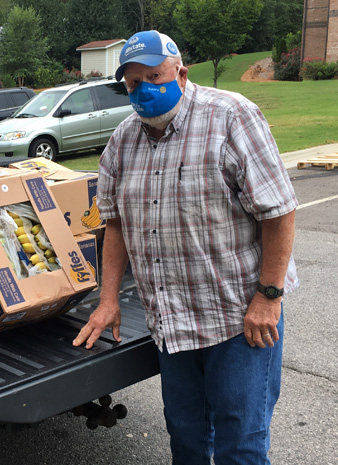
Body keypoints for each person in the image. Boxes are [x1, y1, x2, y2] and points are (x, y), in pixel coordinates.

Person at [73, 30, 298, 464]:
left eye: (154, 76)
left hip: (238, 321)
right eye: (133, 83)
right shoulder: (122, 141)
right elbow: (115, 224)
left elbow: (279, 210)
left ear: (180, 72)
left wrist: (269, 296)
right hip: (172, 324)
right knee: (187, 439)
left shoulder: (231, 117)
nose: (144, 90)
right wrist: (108, 299)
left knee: (241, 444)